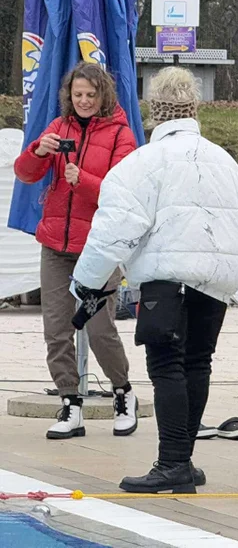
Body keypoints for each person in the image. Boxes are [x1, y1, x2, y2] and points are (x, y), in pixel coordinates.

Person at [71, 66, 238, 493]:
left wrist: (86, 284)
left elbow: (113, 229)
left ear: (155, 111)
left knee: (167, 365)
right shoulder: (224, 160)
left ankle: (172, 463)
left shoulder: (144, 163)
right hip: (217, 279)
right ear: (193, 108)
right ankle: (183, 461)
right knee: (197, 363)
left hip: (167, 280)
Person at [13, 61, 139, 440]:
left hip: (98, 248)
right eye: (77, 94)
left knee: (100, 329)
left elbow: (123, 195)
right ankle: (70, 403)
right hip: (55, 243)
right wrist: (38, 150)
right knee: (56, 329)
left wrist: (81, 180)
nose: (83, 101)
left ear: (103, 96)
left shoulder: (121, 135)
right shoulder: (58, 127)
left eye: (90, 95)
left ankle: (123, 393)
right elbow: (24, 173)